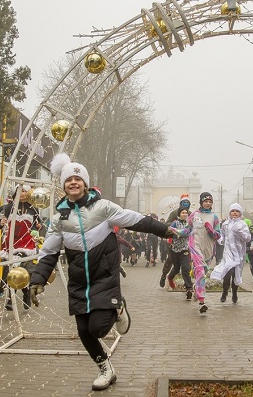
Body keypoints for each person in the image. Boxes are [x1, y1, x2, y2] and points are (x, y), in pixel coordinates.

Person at [27, 153, 178, 391]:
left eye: (78, 179)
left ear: (85, 184)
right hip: (79, 282)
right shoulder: (58, 219)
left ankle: (118, 308)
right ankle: (106, 369)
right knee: (84, 331)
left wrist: (163, 230)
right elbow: (48, 253)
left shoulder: (103, 208)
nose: (73, 183)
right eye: (69, 180)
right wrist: (38, 280)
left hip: (104, 275)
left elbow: (135, 219)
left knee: (97, 327)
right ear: (64, 186)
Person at [0, 184, 43, 310]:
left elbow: (38, 225)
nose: (21, 193)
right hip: (11, 244)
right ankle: (17, 296)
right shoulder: (7, 208)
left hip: (27, 244)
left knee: (22, 271)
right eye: (19, 191)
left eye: (24, 191)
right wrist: (0, 224)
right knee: (12, 271)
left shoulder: (33, 209)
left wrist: (38, 227)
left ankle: (18, 297)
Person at [184, 191, 220, 313]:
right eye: (206, 201)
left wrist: (211, 230)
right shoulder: (194, 215)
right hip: (195, 246)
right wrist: (171, 231)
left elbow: (218, 236)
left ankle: (196, 288)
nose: (208, 203)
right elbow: (186, 230)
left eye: (210, 202)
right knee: (200, 270)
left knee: (202, 272)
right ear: (201, 202)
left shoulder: (214, 217)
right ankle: (201, 300)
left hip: (209, 250)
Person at [211, 203, 251, 303]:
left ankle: (234, 293)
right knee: (227, 273)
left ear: (240, 213)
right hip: (228, 254)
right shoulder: (225, 224)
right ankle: (224, 292)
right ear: (230, 212)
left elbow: (247, 238)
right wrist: (220, 240)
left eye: (237, 211)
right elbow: (222, 236)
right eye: (233, 211)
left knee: (236, 275)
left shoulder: (242, 224)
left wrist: (239, 232)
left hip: (239, 254)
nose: (235, 213)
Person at [165, 206, 194, 299]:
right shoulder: (175, 223)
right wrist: (174, 234)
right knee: (176, 269)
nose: (185, 214)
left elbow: (190, 233)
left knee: (186, 268)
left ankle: (189, 289)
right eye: (183, 213)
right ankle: (170, 277)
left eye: (186, 213)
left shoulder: (189, 224)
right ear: (179, 214)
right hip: (174, 249)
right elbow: (169, 232)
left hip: (184, 249)